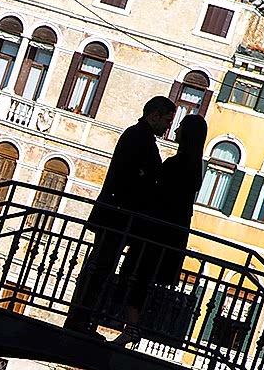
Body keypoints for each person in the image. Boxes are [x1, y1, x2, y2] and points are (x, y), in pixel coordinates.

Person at [63, 96, 176, 337]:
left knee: (100, 267)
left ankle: (82, 318)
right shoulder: (138, 138)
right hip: (118, 218)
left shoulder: (137, 136)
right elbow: (136, 179)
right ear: (154, 115)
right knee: (99, 268)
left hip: (117, 216)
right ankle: (80, 319)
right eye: (167, 120)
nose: (168, 127)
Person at [114, 113, 208, 345]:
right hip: (171, 233)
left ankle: (132, 327)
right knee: (142, 278)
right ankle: (131, 326)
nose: (175, 131)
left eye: (180, 127)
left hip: (155, 231)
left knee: (136, 275)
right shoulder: (195, 167)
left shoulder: (176, 165)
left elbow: (158, 194)